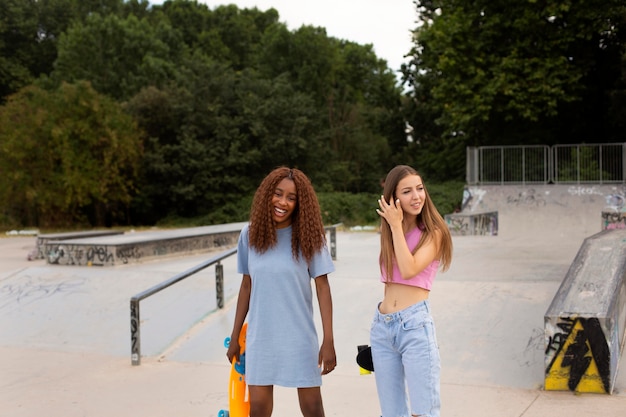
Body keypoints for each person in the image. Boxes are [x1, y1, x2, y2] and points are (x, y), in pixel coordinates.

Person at [226, 167, 336, 417]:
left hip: (299, 336)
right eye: (278, 194)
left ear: (300, 203)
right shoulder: (250, 235)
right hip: (261, 337)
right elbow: (246, 286)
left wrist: (328, 340)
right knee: (259, 409)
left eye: (291, 198)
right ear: (267, 195)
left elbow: (323, 287)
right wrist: (234, 335)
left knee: (313, 408)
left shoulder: (309, 237)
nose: (282, 202)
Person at [371, 165, 453, 417]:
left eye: (419, 189)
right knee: (391, 413)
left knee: (423, 412)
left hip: (415, 326)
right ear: (393, 198)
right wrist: (395, 227)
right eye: (407, 191)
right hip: (383, 328)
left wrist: (395, 226)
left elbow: (409, 269)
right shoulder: (390, 234)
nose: (416, 196)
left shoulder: (434, 233)